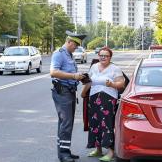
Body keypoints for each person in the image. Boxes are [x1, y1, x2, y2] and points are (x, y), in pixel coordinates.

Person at [82, 46, 125, 162]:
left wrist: (111, 85)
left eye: (106, 56)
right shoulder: (94, 67)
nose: (103, 57)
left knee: (107, 124)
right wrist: (83, 92)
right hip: (94, 98)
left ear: (110, 57)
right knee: (95, 124)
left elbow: (121, 84)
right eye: (101, 55)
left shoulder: (115, 68)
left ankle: (111, 153)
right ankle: (98, 149)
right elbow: (89, 82)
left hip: (109, 100)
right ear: (98, 56)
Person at [50, 30, 87, 162]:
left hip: (69, 91)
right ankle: (64, 153)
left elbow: (70, 72)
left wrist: (79, 77)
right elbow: (53, 72)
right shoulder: (59, 54)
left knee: (65, 122)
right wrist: (73, 76)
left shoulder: (69, 55)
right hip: (62, 91)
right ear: (69, 41)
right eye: (75, 45)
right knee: (66, 122)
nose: (76, 47)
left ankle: (64, 151)